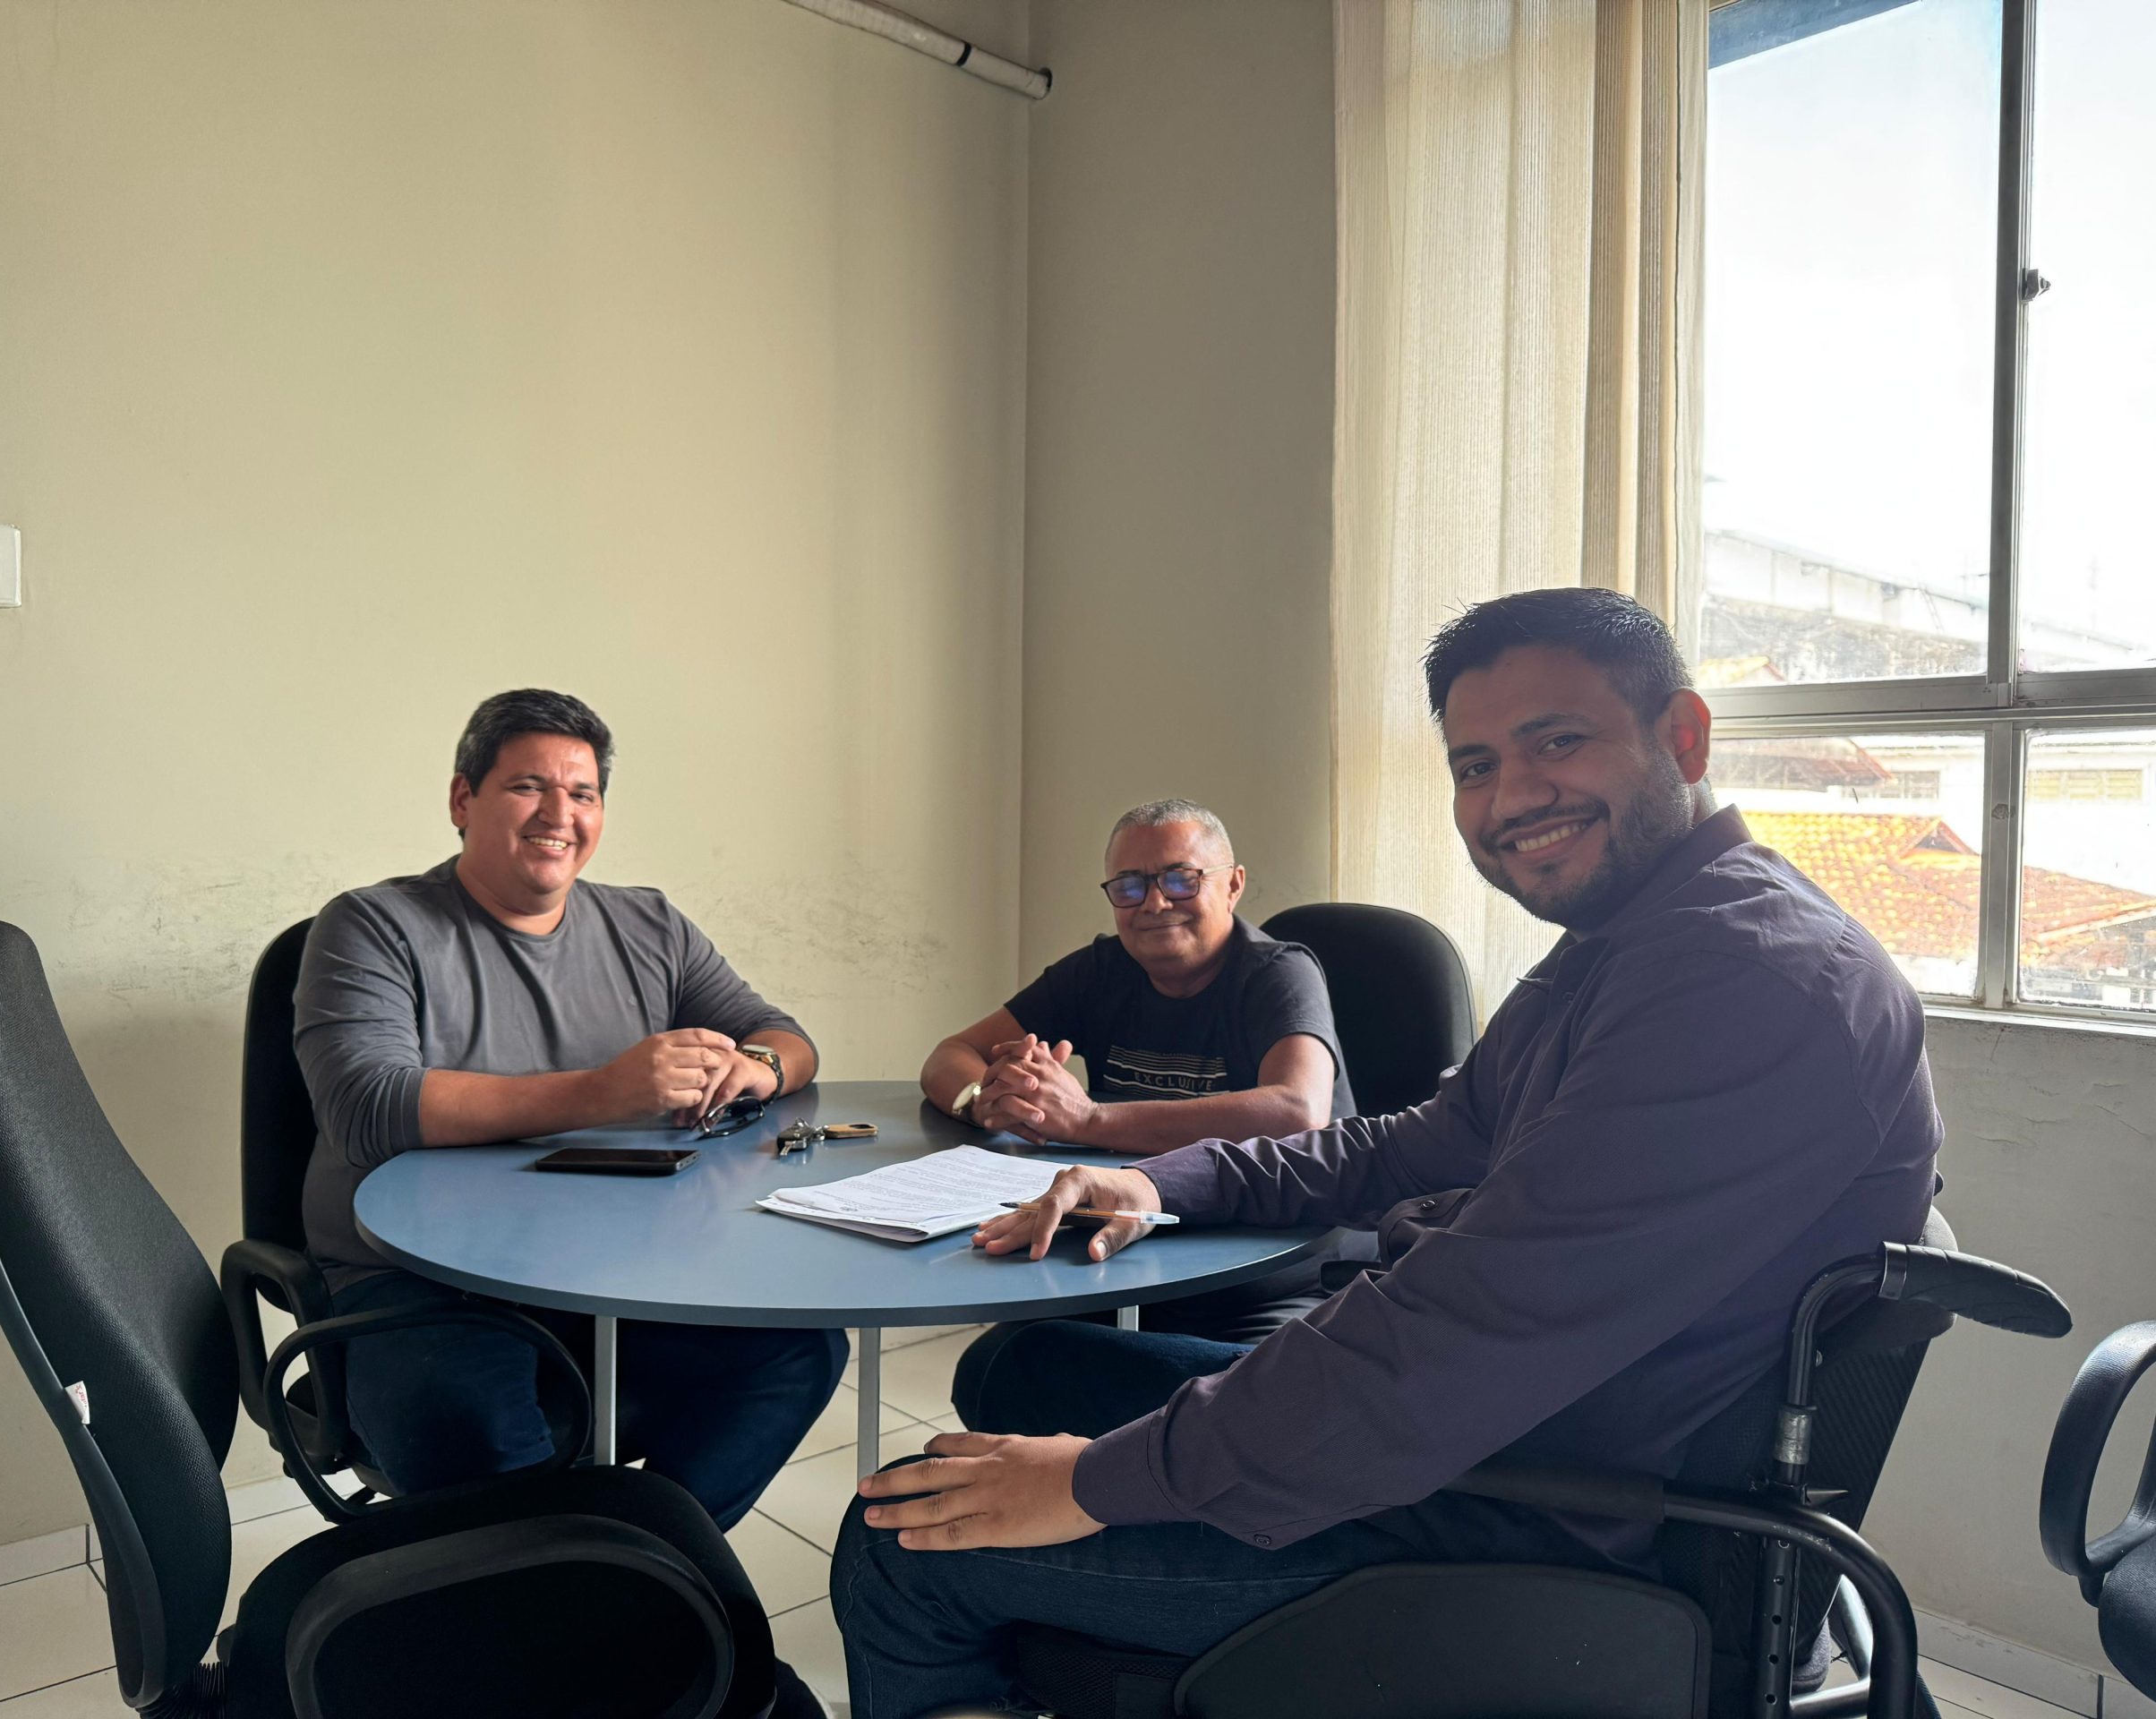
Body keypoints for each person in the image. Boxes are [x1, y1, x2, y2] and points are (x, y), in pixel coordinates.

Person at [832, 588, 1941, 1719]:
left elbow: (1462, 1329)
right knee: (1021, 1369)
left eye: (1558, 741)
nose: (1512, 796)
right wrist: (1152, 1179)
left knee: (902, 1536)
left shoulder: (1747, 981)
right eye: (1474, 765)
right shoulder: (1623, 946)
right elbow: (1416, 1145)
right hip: (1493, 1436)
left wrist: (1093, 1483)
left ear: (1683, 737)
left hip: (1557, 1519)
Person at [295, 688, 847, 1534]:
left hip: (611, 1266)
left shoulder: (650, 925)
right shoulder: (374, 925)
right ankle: (569, 1585)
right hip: (417, 1278)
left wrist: (756, 1068)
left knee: (798, 1350)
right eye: (528, 787)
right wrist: (606, 1090)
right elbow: (369, 1107)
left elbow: (788, 1039)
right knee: (475, 1427)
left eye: (582, 793)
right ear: (463, 799)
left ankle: (642, 1569)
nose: (559, 815)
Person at [920, 799, 1364, 1344]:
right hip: (1124, 1256)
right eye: (1129, 886)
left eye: (1181, 879)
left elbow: (1298, 1112)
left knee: (1202, 1389)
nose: (1154, 903)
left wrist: (1088, 1119)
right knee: (997, 1367)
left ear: (1233, 885)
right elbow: (951, 1054)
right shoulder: (1101, 971)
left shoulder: (1279, 973)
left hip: (1264, 1273)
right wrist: (983, 1100)